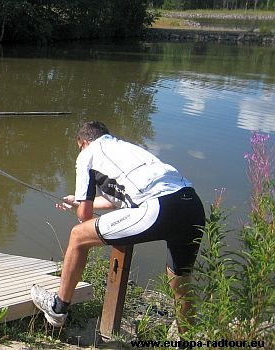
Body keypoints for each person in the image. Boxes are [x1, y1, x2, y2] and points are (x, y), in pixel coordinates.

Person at [30, 120, 205, 334]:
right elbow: (120, 199)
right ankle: (187, 338)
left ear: (83, 142)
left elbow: (84, 217)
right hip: (191, 204)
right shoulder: (128, 149)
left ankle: (58, 309)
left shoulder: (87, 154)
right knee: (179, 279)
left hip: (158, 206)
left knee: (78, 236)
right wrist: (80, 200)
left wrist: (81, 208)